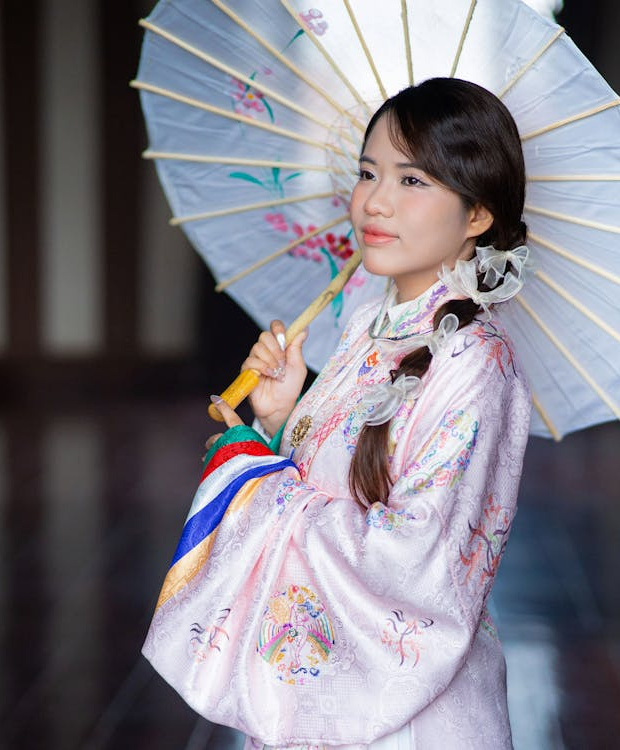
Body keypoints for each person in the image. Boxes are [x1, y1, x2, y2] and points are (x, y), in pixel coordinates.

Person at [143, 77, 533, 750]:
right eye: (366, 172)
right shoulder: (363, 321)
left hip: (410, 719)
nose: (374, 202)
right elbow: (330, 478)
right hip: (320, 696)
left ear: (477, 216)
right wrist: (278, 417)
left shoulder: (474, 362)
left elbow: (417, 563)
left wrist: (258, 486)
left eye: (413, 182)